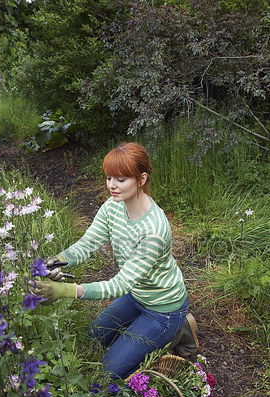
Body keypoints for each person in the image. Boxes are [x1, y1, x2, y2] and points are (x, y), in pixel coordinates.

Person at [30, 142, 199, 380]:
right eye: (109, 178)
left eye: (121, 179)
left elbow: (118, 286)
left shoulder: (154, 231)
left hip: (163, 309)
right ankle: (171, 329)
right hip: (136, 295)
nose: (112, 185)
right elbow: (88, 243)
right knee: (94, 339)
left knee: (108, 372)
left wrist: (64, 290)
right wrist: (57, 261)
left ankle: (176, 330)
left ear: (141, 179)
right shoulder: (113, 206)